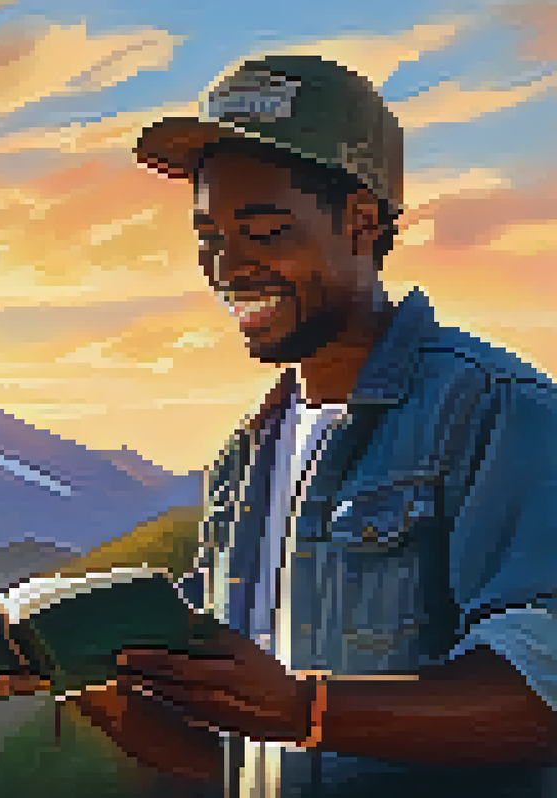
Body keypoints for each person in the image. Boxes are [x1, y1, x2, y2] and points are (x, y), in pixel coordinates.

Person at [72, 55, 557, 797]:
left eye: (264, 231)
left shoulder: (495, 409)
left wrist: (308, 710)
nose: (227, 265)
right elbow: (229, 752)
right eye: (208, 234)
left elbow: (538, 701)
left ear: (363, 221)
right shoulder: (244, 460)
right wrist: (90, 682)